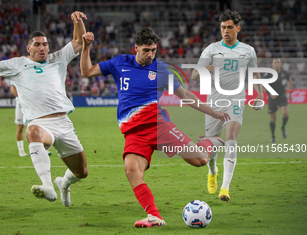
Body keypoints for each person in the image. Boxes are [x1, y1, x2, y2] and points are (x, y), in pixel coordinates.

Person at [80, 27, 230, 228]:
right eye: (146, 50)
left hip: (159, 128)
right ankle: (154, 216)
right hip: (134, 134)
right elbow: (86, 71)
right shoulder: (119, 63)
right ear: (136, 48)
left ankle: (210, 141)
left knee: (201, 160)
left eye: (153, 50)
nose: (150, 54)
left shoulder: (161, 70)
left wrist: (214, 113)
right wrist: (86, 46)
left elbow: (185, 96)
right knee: (132, 171)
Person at [0, 11, 89, 207]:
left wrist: (77, 21)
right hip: (40, 123)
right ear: (29, 47)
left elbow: (79, 41)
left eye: (45, 44)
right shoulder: (17, 64)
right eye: (37, 44)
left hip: (63, 123)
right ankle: (47, 185)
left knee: (81, 172)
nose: (42, 48)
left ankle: (63, 184)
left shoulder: (57, 58)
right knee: (32, 132)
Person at [191, 9, 263, 202]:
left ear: (237, 28)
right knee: (213, 147)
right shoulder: (211, 49)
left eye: (230, 27)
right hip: (214, 103)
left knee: (231, 137)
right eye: (223, 27)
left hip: (236, 101)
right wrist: (204, 69)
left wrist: (260, 95)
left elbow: (255, 75)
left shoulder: (248, 51)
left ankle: (225, 188)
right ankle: (212, 171)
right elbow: (194, 75)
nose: (226, 31)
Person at [10, 83, 53, 157]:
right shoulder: (16, 72)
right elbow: (13, 89)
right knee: (20, 127)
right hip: (20, 103)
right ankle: (21, 150)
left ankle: (41, 149)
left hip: (32, 103)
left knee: (36, 125)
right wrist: (22, 96)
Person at [264, 58, 292, 142]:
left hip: (282, 96)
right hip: (272, 98)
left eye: (278, 62)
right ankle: (273, 136)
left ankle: (283, 127)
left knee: (285, 113)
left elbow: (289, 81)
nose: (276, 64)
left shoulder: (285, 73)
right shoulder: (268, 74)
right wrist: (270, 93)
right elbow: (263, 86)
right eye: (275, 62)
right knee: (273, 118)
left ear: (281, 64)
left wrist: (291, 92)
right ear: (272, 64)